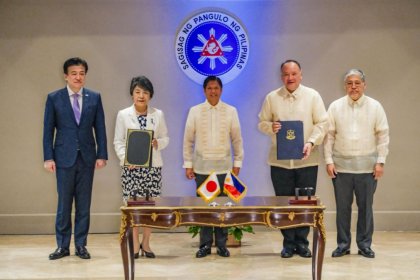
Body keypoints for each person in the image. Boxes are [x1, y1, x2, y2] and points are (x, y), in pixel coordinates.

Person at [258, 59, 328, 258]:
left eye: (294, 74)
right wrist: (270, 127)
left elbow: (322, 123)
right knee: (283, 203)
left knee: (305, 203)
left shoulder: (312, 96)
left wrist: (311, 142)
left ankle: (302, 243)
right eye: (286, 74)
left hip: (307, 160)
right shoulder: (272, 97)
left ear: (301, 74)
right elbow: (262, 122)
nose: (290, 78)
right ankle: (288, 243)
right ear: (282, 77)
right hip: (279, 162)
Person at [43, 57, 108, 260]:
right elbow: (48, 131)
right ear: (66, 76)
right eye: (74, 73)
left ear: (85, 76)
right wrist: (48, 157)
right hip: (63, 158)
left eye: (81, 73)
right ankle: (62, 246)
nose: (78, 77)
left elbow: (100, 128)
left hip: (87, 158)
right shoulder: (54, 98)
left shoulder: (94, 97)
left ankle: (81, 245)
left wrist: (102, 155)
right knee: (64, 204)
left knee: (84, 204)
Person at [324, 69, 389, 259]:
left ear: (364, 85)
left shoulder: (375, 107)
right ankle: (343, 245)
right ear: (345, 86)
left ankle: (364, 245)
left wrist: (380, 161)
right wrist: (329, 161)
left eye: (357, 83)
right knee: (342, 209)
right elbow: (328, 136)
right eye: (350, 83)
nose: (353, 87)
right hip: (341, 168)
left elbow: (383, 135)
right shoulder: (335, 107)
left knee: (366, 209)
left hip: (368, 168)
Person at [183, 76, 244, 258]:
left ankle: (222, 245)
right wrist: (188, 164)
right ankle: (205, 245)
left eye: (216, 88)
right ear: (204, 91)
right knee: (205, 209)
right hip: (202, 169)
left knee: (222, 209)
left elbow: (237, 139)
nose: (213, 91)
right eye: (209, 88)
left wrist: (237, 162)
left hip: (224, 169)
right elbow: (188, 140)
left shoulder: (231, 111)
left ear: (221, 90)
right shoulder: (195, 111)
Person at [114, 76, 169, 258]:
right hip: (131, 170)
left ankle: (146, 243)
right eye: (137, 92)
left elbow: (165, 138)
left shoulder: (158, 114)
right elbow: (118, 142)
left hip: (152, 169)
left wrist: (157, 143)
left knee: (150, 208)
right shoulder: (123, 115)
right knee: (133, 208)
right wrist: (125, 159)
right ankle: (135, 244)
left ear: (150, 95)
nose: (141, 95)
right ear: (132, 94)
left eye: (145, 92)